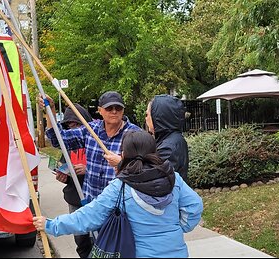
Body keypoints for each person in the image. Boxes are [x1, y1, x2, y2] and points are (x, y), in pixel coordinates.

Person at [33, 131, 203, 258]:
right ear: (154, 152)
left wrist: (51, 225)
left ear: (123, 154)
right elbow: (194, 206)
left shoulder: (121, 187)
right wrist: (179, 227)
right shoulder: (173, 178)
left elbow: (87, 217)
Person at [39, 91, 142, 203]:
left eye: (118, 108)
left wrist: (122, 163)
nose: (114, 111)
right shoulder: (91, 130)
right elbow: (58, 140)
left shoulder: (136, 134)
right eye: (109, 108)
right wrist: (51, 109)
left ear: (123, 110)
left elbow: (146, 169)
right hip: (92, 204)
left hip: (120, 205)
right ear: (100, 110)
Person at [105, 94, 189, 182]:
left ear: (158, 117)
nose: (146, 119)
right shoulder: (168, 140)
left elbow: (151, 178)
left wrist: (122, 163)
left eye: (147, 115)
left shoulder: (169, 147)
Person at [52, 103, 94, 258]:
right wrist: (63, 177)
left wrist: (87, 169)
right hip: (75, 199)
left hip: (96, 199)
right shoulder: (67, 145)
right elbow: (63, 169)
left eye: (76, 124)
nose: (73, 129)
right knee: (81, 240)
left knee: (99, 240)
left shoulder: (96, 141)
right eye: (69, 126)